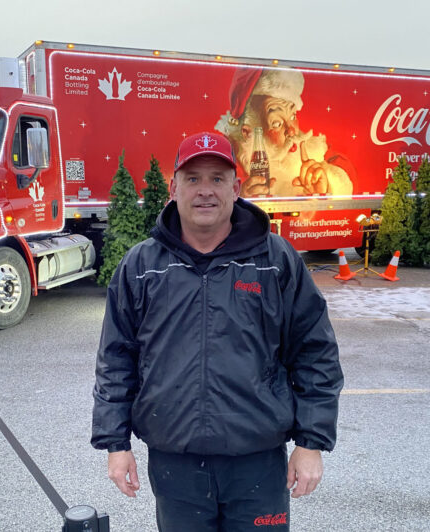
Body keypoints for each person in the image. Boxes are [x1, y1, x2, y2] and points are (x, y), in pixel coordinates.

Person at [91, 131, 343, 531]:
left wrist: (311, 443)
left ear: (236, 187)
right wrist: (115, 444)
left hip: (258, 464)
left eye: (217, 178)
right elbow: (116, 359)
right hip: (175, 465)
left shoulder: (276, 262)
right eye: (193, 179)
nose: (205, 191)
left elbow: (316, 353)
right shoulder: (142, 266)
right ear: (173, 188)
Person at [215, 68, 355, 198]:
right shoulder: (226, 161)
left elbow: (347, 176)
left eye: (293, 116)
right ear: (248, 133)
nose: (292, 132)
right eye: (277, 124)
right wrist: (241, 199)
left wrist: (327, 182)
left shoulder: (312, 150)